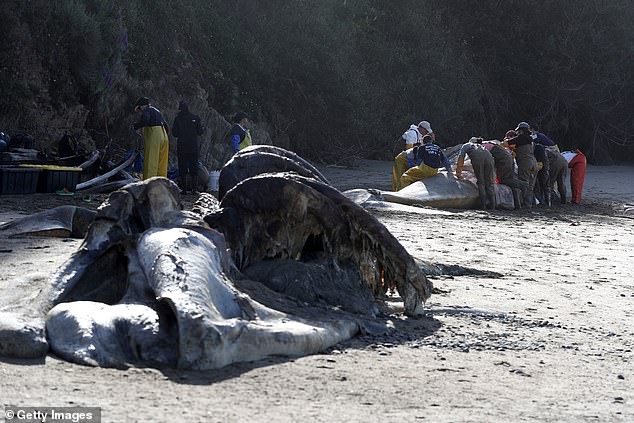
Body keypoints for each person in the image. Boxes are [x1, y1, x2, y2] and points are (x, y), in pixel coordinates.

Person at [483, 140, 528, 209]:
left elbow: (487, 161)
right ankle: (517, 205)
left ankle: (523, 184)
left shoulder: (482, 147)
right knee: (511, 183)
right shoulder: (492, 144)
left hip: (504, 162)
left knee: (504, 180)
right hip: (508, 160)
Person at [172, 101, 205, 194]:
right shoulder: (195, 118)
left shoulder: (177, 119)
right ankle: (194, 190)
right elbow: (200, 132)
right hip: (193, 147)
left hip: (182, 147)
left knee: (182, 168)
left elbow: (174, 133)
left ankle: (184, 190)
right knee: (194, 168)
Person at [133, 97, 169, 179]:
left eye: (139, 109)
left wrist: (137, 126)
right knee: (161, 162)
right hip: (164, 136)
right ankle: (162, 182)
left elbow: (145, 120)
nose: (140, 111)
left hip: (154, 135)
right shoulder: (157, 111)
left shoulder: (146, 111)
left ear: (141, 106)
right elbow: (166, 127)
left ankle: (149, 183)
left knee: (151, 161)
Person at [455, 137, 496, 209]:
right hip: (489, 157)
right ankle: (493, 206)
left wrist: (458, 174)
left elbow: (461, 159)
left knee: (481, 182)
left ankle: (483, 206)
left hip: (478, 157)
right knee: (489, 183)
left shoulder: (466, 145)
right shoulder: (482, 146)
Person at [506, 122, 538, 207]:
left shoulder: (521, 138)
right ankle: (529, 204)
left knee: (524, 183)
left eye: (518, 131)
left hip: (525, 163)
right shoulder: (531, 140)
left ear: (522, 131)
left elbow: (507, 143)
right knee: (531, 186)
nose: (517, 133)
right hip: (534, 163)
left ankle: (524, 204)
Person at [533, 143, 551, 207]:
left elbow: (539, 164)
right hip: (546, 169)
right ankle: (548, 203)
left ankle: (541, 202)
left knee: (539, 186)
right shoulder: (541, 148)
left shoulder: (536, 149)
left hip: (542, 169)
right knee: (546, 186)